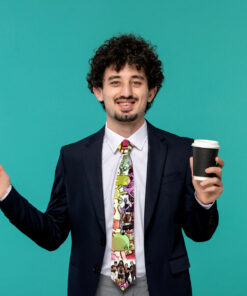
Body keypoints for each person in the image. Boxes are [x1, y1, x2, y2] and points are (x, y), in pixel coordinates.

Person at [0, 34, 224, 296]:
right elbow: (52, 234)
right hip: (96, 287)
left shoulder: (181, 152)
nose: (126, 92)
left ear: (151, 91)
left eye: (136, 82)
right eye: (115, 82)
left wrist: (204, 202)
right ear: (98, 91)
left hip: (163, 286)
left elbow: (200, 233)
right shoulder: (73, 158)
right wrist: (6, 194)